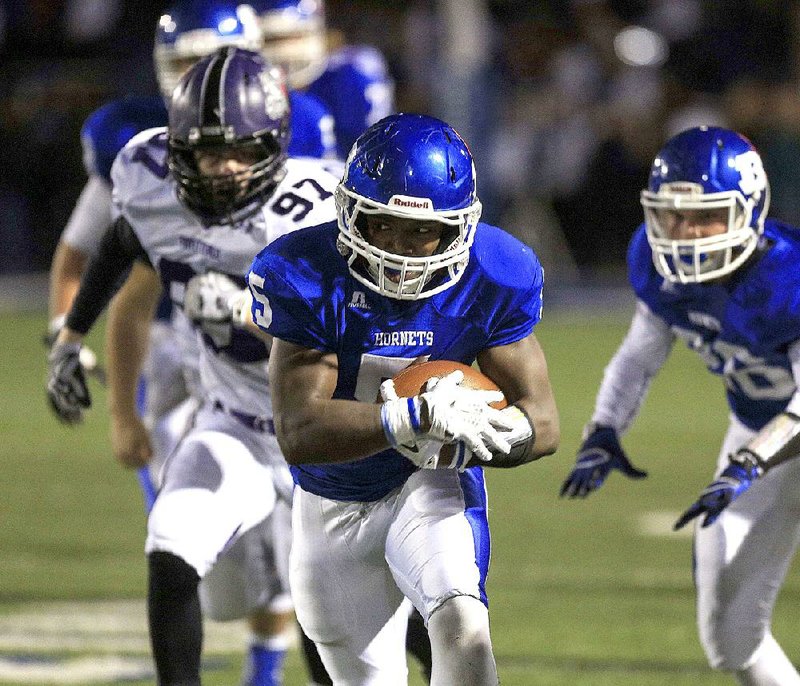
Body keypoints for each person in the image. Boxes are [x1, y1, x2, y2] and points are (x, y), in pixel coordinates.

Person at [46, 47, 342, 686]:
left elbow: (355, 339)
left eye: (240, 151)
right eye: (207, 151)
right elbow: (120, 244)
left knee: (337, 618)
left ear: (274, 150)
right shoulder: (148, 179)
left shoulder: (320, 213)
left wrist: (255, 313)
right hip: (233, 424)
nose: (224, 169)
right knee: (171, 549)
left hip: (327, 436)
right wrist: (70, 337)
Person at [244, 112, 560, 684]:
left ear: (459, 227)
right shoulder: (302, 272)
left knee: (464, 631)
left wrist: (500, 433)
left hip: (432, 480)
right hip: (334, 502)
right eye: (384, 224)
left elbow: (544, 422)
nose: (401, 246)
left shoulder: (497, 271)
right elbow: (299, 431)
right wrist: (412, 417)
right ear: (351, 215)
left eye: (423, 230)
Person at [559, 126, 800, 685]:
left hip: (772, 439)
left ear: (750, 210)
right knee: (729, 634)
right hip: (759, 429)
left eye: (707, 218)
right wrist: (603, 429)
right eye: (675, 217)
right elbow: (638, 355)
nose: (688, 235)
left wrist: (747, 465)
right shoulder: (656, 265)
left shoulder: (789, 280)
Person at [252, 0, 395, 159]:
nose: (288, 50)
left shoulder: (349, 76)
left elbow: (376, 156)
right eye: (273, 39)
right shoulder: (253, 91)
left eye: (297, 36)